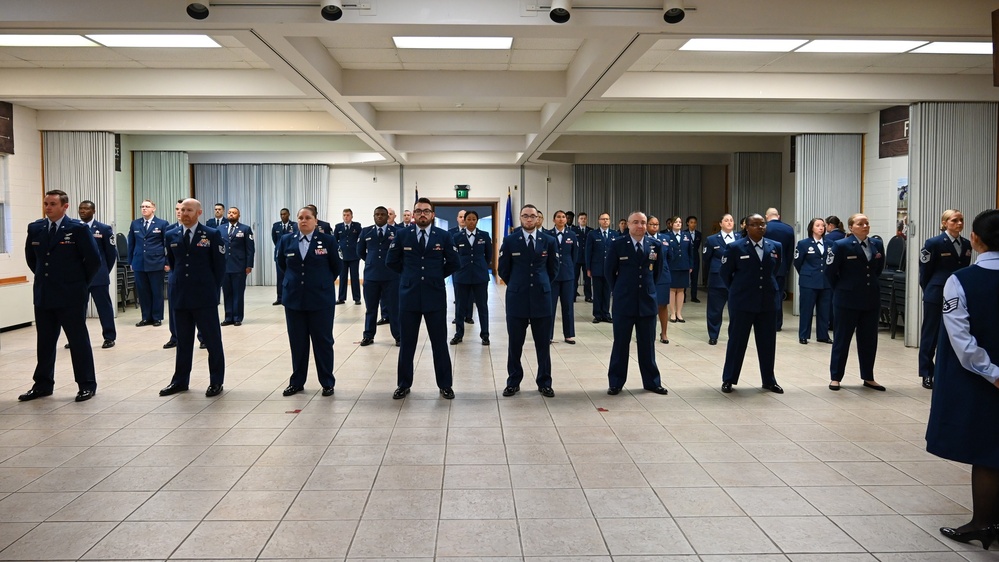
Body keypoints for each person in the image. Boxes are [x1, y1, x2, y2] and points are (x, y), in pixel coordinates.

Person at [925, 209, 999, 550]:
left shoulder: (962, 280)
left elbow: (961, 339)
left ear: (975, 239)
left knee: (986, 451)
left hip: (979, 380)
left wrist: (993, 373)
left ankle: (983, 523)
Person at [19, 189, 101, 403]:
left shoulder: (77, 229)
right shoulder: (35, 228)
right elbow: (32, 259)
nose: (48, 207)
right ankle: (43, 384)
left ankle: (86, 384)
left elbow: (93, 261)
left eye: (53, 204)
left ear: (64, 206)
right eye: (46, 203)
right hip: (44, 294)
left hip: (71, 295)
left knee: (78, 341)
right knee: (45, 342)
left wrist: (79, 284)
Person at [386, 197, 460, 399]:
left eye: (426, 211)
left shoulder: (443, 236)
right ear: (413, 214)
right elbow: (391, 261)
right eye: (418, 211)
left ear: (432, 215)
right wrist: (409, 275)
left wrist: (435, 275)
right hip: (409, 296)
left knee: (439, 344)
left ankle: (445, 385)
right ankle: (403, 384)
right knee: (407, 344)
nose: (422, 214)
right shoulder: (402, 235)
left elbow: (454, 262)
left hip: (434, 296)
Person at [159, 199, 226, 398]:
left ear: (199, 212)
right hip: (180, 295)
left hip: (204, 296)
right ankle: (180, 381)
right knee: (183, 341)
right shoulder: (171, 234)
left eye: (189, 210)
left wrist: (213, 292)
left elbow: (219, 267)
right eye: (181, 210)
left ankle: (216, 381)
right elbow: (173, 262)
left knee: (212, 341)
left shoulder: (211, 234)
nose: (184, 213)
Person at [277, 206, 341, 397]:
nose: (303, 221)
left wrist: (320, 283)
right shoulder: (286, 240)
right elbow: (281, 264)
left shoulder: (328, 240)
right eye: (300, 218)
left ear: (315, 220)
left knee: (323, 342)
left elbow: (336, 267)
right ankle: (297, 381)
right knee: (297, 343)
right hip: (294, 300)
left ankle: (327, 382)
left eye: (307, 218)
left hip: (320, 300)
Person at [498, 204, 559, 397]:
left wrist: (541, 284)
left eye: (533, 216)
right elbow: (503, 269)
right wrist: (517, 284)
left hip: (542, 298)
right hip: (517, 298)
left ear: (538, 218)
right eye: (525, 216)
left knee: (543, 344)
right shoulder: (510, 241)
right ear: (520, 218)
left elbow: (554, 269)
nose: (529, 219)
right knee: (515, 344)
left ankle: (544, 382)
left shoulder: (548, 241)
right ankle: (513, 381)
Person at [719, 214, 784, 395]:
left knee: (767, 343)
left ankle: (769, 380)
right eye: (755, 225)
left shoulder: (775, 246)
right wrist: (738, 290)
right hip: (742, 302)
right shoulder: (735, 247)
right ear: (746, 227)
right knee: (737, 342)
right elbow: (725, 274)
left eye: (762, 224)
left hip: (767, 302)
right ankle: (729, 379)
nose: (760, 227)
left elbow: (775, 270)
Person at [606, 212, 668, 396]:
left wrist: (647, 290)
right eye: (636, 222)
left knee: (647, 345)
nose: (640, 226)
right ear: (628, 225)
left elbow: (656, 273)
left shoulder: (655, 245)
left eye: (643, 222)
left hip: (647, 303)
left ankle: (652, 382)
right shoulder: (618, 244)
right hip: (624, 303)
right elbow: (610, 272)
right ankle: (616, 382)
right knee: (620, 344)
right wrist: (619, 291)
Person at [826, 213, 887, 391]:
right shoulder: (841, 245)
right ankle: (836, 377)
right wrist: (842, 288)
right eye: (860, 224)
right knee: (842, 338)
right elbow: (830, 272)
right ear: (851, 227)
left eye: (867, 223)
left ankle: (868, 376)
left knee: (869, 339)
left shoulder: (877, 244)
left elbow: (878, 269)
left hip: (870, 298)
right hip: (846, 299)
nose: (865, 226)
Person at [918, 209, 971, 389]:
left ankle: (947, 372)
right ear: (944, 223)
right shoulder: (934, 243)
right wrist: (930, 290)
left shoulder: (966, 244)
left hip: (957, 294)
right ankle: (926, 372)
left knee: (954, 332)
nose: (959, 224)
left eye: (961, 220)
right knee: (931, 334)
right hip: (937, 292)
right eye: (954, 220)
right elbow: (925, 271)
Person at [75, 200, 117, 349]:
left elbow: (111, 254)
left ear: (93, 211)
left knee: (103, 307)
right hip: (79, 276)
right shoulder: (74, 227)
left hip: (99, 276)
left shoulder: (104, 229)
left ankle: (109, 337)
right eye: (80, 208)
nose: (82, 211)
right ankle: (76, 337)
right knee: (78, 308)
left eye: (86, 209)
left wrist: (104, 270)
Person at [358, 206, 401, 347]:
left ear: (388, 217)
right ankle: (368, 336)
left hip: (391, 276)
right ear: (374, 216)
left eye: (383, 214)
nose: (380, 217)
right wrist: (371, 261)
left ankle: (398, 336)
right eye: (377, 214)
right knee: (371, 308)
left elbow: (401, 252)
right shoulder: (366, 231)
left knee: (394, 308)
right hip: (371, 276)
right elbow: (360, 252)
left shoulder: (396, 232)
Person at [451, 210, 492, 346]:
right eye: (468, 219)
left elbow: (489, 256)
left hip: (480, 276)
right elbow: (454, 256)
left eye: (474, 219)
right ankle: (459, 334)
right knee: (460, 307)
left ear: (477, 221)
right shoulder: (457, 236)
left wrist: (481, 266)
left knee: (482, 306)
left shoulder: (484, 236)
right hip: (462, 275)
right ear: (464, 221)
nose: (471, 221)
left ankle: (485, 335)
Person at [127, 199, 169, 327]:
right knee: (143, 292)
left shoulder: (162, 223)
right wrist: (131, 261)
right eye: (142, 206)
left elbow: (167, 244)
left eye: (147, 206)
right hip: (139, 262)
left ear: (153, 208)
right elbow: (131, 244)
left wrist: (167, 262)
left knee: (156, 291)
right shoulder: (135, 224)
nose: (144, 208)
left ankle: (157, 317)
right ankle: (146, 317)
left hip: (156, 262)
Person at [794, 217, 834, 346]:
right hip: (809, 281)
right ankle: (803, 335)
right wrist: (807, 274)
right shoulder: (803, 244)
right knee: (807, 310)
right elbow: (797, 262)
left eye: (823, 225)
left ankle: (823, 335)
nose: (821, 228)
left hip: (825, 281)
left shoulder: (830, 244)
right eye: (817, 225)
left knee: (824, 310)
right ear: (812, 228)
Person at [702, 213, 738, 345]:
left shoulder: (740, 238)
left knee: (736, 311)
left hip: (736, 280)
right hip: (718, 280)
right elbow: (706, 259)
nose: (729, 222)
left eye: (731, 220)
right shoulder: (712, 240)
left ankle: (734, 335)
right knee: (715, 310)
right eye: (726, 220)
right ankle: (713, 335)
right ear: (721, 224)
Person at [547, 210, 578, 344]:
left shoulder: (571, 235)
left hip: (567, 275)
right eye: (558, 217)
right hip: (552, 276)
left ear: (566, 220)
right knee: (550, 307)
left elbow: (575, 255)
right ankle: (548, 335)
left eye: (563, 217)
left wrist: (569, 267)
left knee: (568, 306)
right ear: (554, 220)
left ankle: (568, 335)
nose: (561, 219)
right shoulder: (548, 235)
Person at [220, 207, 255, 326]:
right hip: (224, 266)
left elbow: (250, 249)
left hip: (239, 266)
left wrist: (249, 265)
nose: (231, 215)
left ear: (238, 215)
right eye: (229, 213)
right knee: (227, 292)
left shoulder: (245, 229)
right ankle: (228, 316)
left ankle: (237, 317)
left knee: (238, 292)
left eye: (234, 213)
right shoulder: (220, 229)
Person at [764, 208, 795, 331]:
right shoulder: (788, 229)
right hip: (781, 268)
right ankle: (777, 324)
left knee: (764, 295)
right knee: (778, 295)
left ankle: (765, 322)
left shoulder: (764, 228)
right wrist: (786, 268)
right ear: (779, 216)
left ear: (767, 216)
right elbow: (790, 251)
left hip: (765, 267)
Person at [586, 213, 617, 323]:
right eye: (603, 219)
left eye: (607, 219)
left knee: (607, 292)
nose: (605, 221)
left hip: (610, 269)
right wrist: (588, 268)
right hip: (597, 267)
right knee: (597, 292)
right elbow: (588, 252)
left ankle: (606, 313)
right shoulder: (593, 234)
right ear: (599, 221)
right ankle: (597, 314)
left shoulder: (615, 234)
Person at [647, 216, 672, 344]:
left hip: (663, 275)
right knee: (649, 306)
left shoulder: (665, 238)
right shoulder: (643, 238)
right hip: (647, 275)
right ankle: (648, 333)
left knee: (662, 305)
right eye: (651, 224)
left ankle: (664, 333)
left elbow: (670, 257)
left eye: (657, 224)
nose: (654, 226)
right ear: (646, 225)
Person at [163, 200, 185, 349]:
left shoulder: (206, 231)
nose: (179, 212)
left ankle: (203, 338)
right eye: (177, 209)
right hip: (175, 275)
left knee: (200, 310)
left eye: (183, 209)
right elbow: (167, 252)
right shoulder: (170, 231)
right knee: (174, 309)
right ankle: (175, 337)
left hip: (196, 277)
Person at [665, 216, 694, 323]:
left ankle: (679, 313)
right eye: (676, 222)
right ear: (671, 224)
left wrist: (691, 265)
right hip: (672, 265)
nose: (678, 224)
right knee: (672, 289)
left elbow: (691, 252)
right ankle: (672, 313)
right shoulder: (667, 236)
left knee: (681, 290)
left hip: (684, 265)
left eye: (680, 222)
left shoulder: (686, 236)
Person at [334, 208, 362, 305]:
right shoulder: (338, 227)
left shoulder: (357, 226)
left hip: (354, 255)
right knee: (342, 277)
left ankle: (357, 298)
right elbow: (335, 240)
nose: (346, 217)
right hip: (342, 256)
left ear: (351, 216)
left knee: (354, 277)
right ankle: (341, 298)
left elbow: (360, 239)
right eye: (344, 215)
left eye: (348, 215)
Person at [271, 208, 298, 306]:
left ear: (289, 214)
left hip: (291, 255)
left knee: (292, 277)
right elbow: (275, 239)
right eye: (281, 214)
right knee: (280, 277)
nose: (283, 216)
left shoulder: (294, 225)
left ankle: (291, 296)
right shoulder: (276, 226)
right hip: (280, 255)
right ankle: (280, 298)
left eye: (285, 214)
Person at [573, 212, 593, 302]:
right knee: (574, 278)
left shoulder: (591, 231)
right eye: (581, 218)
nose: (583, 220)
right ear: (578, 220)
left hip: (587, 259)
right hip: (576, 258)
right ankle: (572, 296)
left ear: (587, 219)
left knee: (587, 279)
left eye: (584, 218)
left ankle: (588, 296)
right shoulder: (573, 231)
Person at [686, 215, 703, 303]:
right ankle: (683, 296)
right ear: (687, 223)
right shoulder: (684, 233)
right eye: (691, 222)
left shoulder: (699, 234)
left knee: (695, 278)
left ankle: (694, 296)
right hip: (686, 257)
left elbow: (697, 246)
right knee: (685, 277)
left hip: (696, 257)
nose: (693, 224)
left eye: (695, 223)